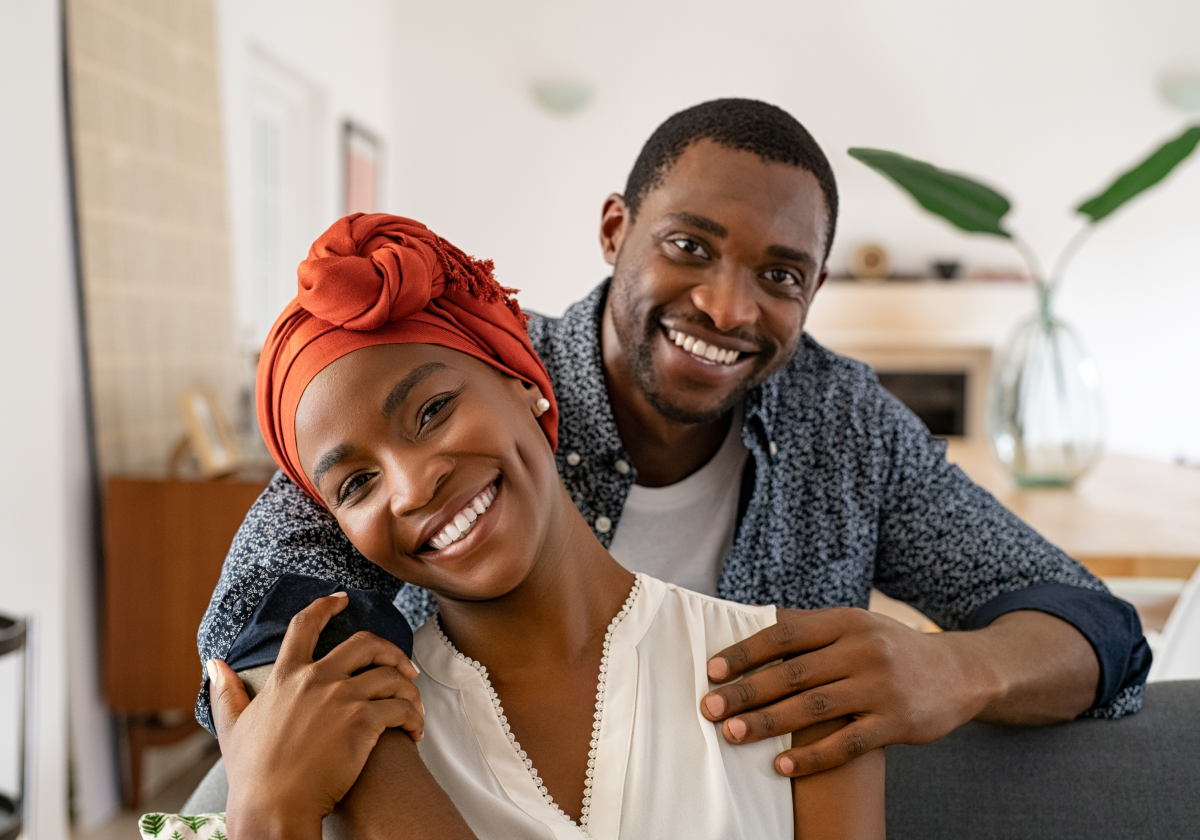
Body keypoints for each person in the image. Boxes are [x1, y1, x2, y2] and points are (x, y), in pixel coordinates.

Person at [197, 98, 1149, 777]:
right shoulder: (468, 390)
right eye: (689, 246)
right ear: (616, 230)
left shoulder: (846, 425)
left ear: (813, 294)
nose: (729, 306)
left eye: (781, 275)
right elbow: (254, 637)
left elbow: (1098, 629)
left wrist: (961, 666)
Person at [206, 213, 885, 838]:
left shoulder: (797, 684)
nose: (413, 488)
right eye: (356, 483)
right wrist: (269, 812)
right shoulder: (336, 733)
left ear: (525, 382)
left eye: (434, 409)